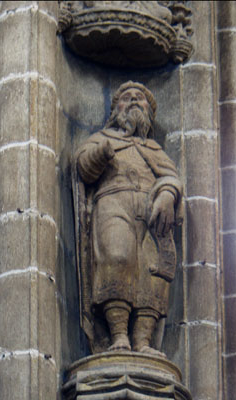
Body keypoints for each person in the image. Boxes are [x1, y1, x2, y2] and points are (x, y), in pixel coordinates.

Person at [75, 82, 183, 356]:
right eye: (126, 98)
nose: (134, 101)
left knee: (152, 271)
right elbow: (83, 168)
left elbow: (172, 177)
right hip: (113, 205)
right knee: (117, 258)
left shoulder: (155, 150)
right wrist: (101, 154)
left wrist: (168, 194)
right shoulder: (102, 139)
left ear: (149, 112)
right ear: (116, 110)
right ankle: (119, 336)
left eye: (141, 99)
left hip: (151, 214)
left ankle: (143, 341)